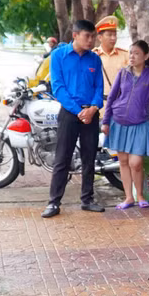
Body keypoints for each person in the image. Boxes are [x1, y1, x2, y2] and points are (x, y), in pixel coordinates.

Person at [41, 20, 105, 218]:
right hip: (70, 113)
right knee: (63, 158)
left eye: (93, 36)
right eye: (87, 36)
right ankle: (54, 202)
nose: (91, 40)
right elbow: (58, 88)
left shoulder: (95, 59)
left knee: (89, 158)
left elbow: (99, 88)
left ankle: (87, 199)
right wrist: (79, 111)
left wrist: (93, 108)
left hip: (91, 114)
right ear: (75, 35)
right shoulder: (58, 56)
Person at [102, 40, 149, 210]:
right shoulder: (123, 73)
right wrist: (105, 121)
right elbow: (112, 98)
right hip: (118, 122)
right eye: (131, 52)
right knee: (123, 161)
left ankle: (140, 195)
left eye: (136, 53)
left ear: (146, 56)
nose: (132, 56)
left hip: (140, 124)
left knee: (136, 163)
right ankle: (128, 198)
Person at [93, 16, 130, 101]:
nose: (113, 38)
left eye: (115, 35)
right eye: (109, 35)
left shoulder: (125, 55)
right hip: (99, 106)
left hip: (120, 104)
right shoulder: (93, 56)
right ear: (100, 37)